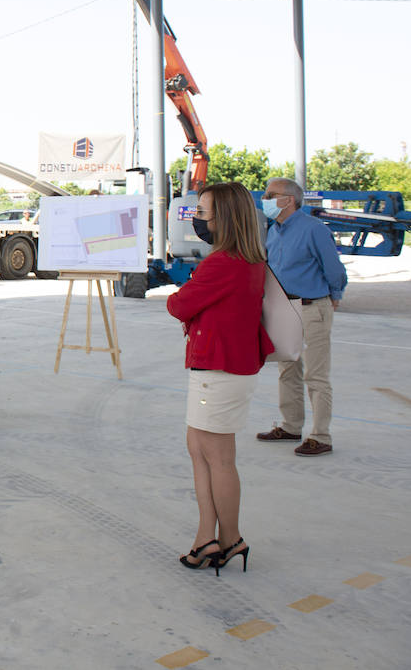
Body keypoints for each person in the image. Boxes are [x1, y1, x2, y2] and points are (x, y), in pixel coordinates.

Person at [166, 181, 271, 574]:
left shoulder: (223, 262)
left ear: (224, 218)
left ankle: (227, 538)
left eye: (203, 213)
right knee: (200, 449)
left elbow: (179, 305)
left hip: (218, 372)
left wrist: (189, 298)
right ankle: (209, 536)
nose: (197, 220)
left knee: (218, 459)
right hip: (223, 369)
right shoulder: (247, 259)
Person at [256, 176, 348, 457]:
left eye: (272, 195)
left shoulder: (314, 229)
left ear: (289, 200)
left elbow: (332, 266)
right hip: (285, 308)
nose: (266, 199)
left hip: (311, 307)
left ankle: (321, 435)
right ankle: (291, 425)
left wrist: (335, 293)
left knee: (316, 375)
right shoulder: (274, 230)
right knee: (288, 371)